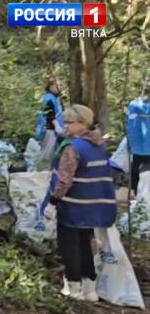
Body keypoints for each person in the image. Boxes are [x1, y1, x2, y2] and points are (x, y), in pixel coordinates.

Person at [41, 104, 116, 302]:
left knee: (69, 246)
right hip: (93, 205)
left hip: (73, 205)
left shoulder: (73, 148)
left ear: (82, 123)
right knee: (84, 243)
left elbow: (65, 179)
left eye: (69, 123)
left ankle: (73, 288)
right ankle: (90, 289)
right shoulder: (98, 145)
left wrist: (52, 202)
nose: (65, 126)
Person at [36, 76, 65, 167]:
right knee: (47, 155)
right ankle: (43, 171)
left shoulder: (54, 98)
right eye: (58, 85)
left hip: (54, 130)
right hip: (50, 130)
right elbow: (50, 114)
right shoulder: (48, 98)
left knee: (54, 154)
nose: (60, 88)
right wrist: (57, 126)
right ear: (51, 85)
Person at [126, 96, 150, 193]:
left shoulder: (133, 105)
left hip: (135, 147)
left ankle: (136, 193)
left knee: (136, 171)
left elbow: (128, 122)